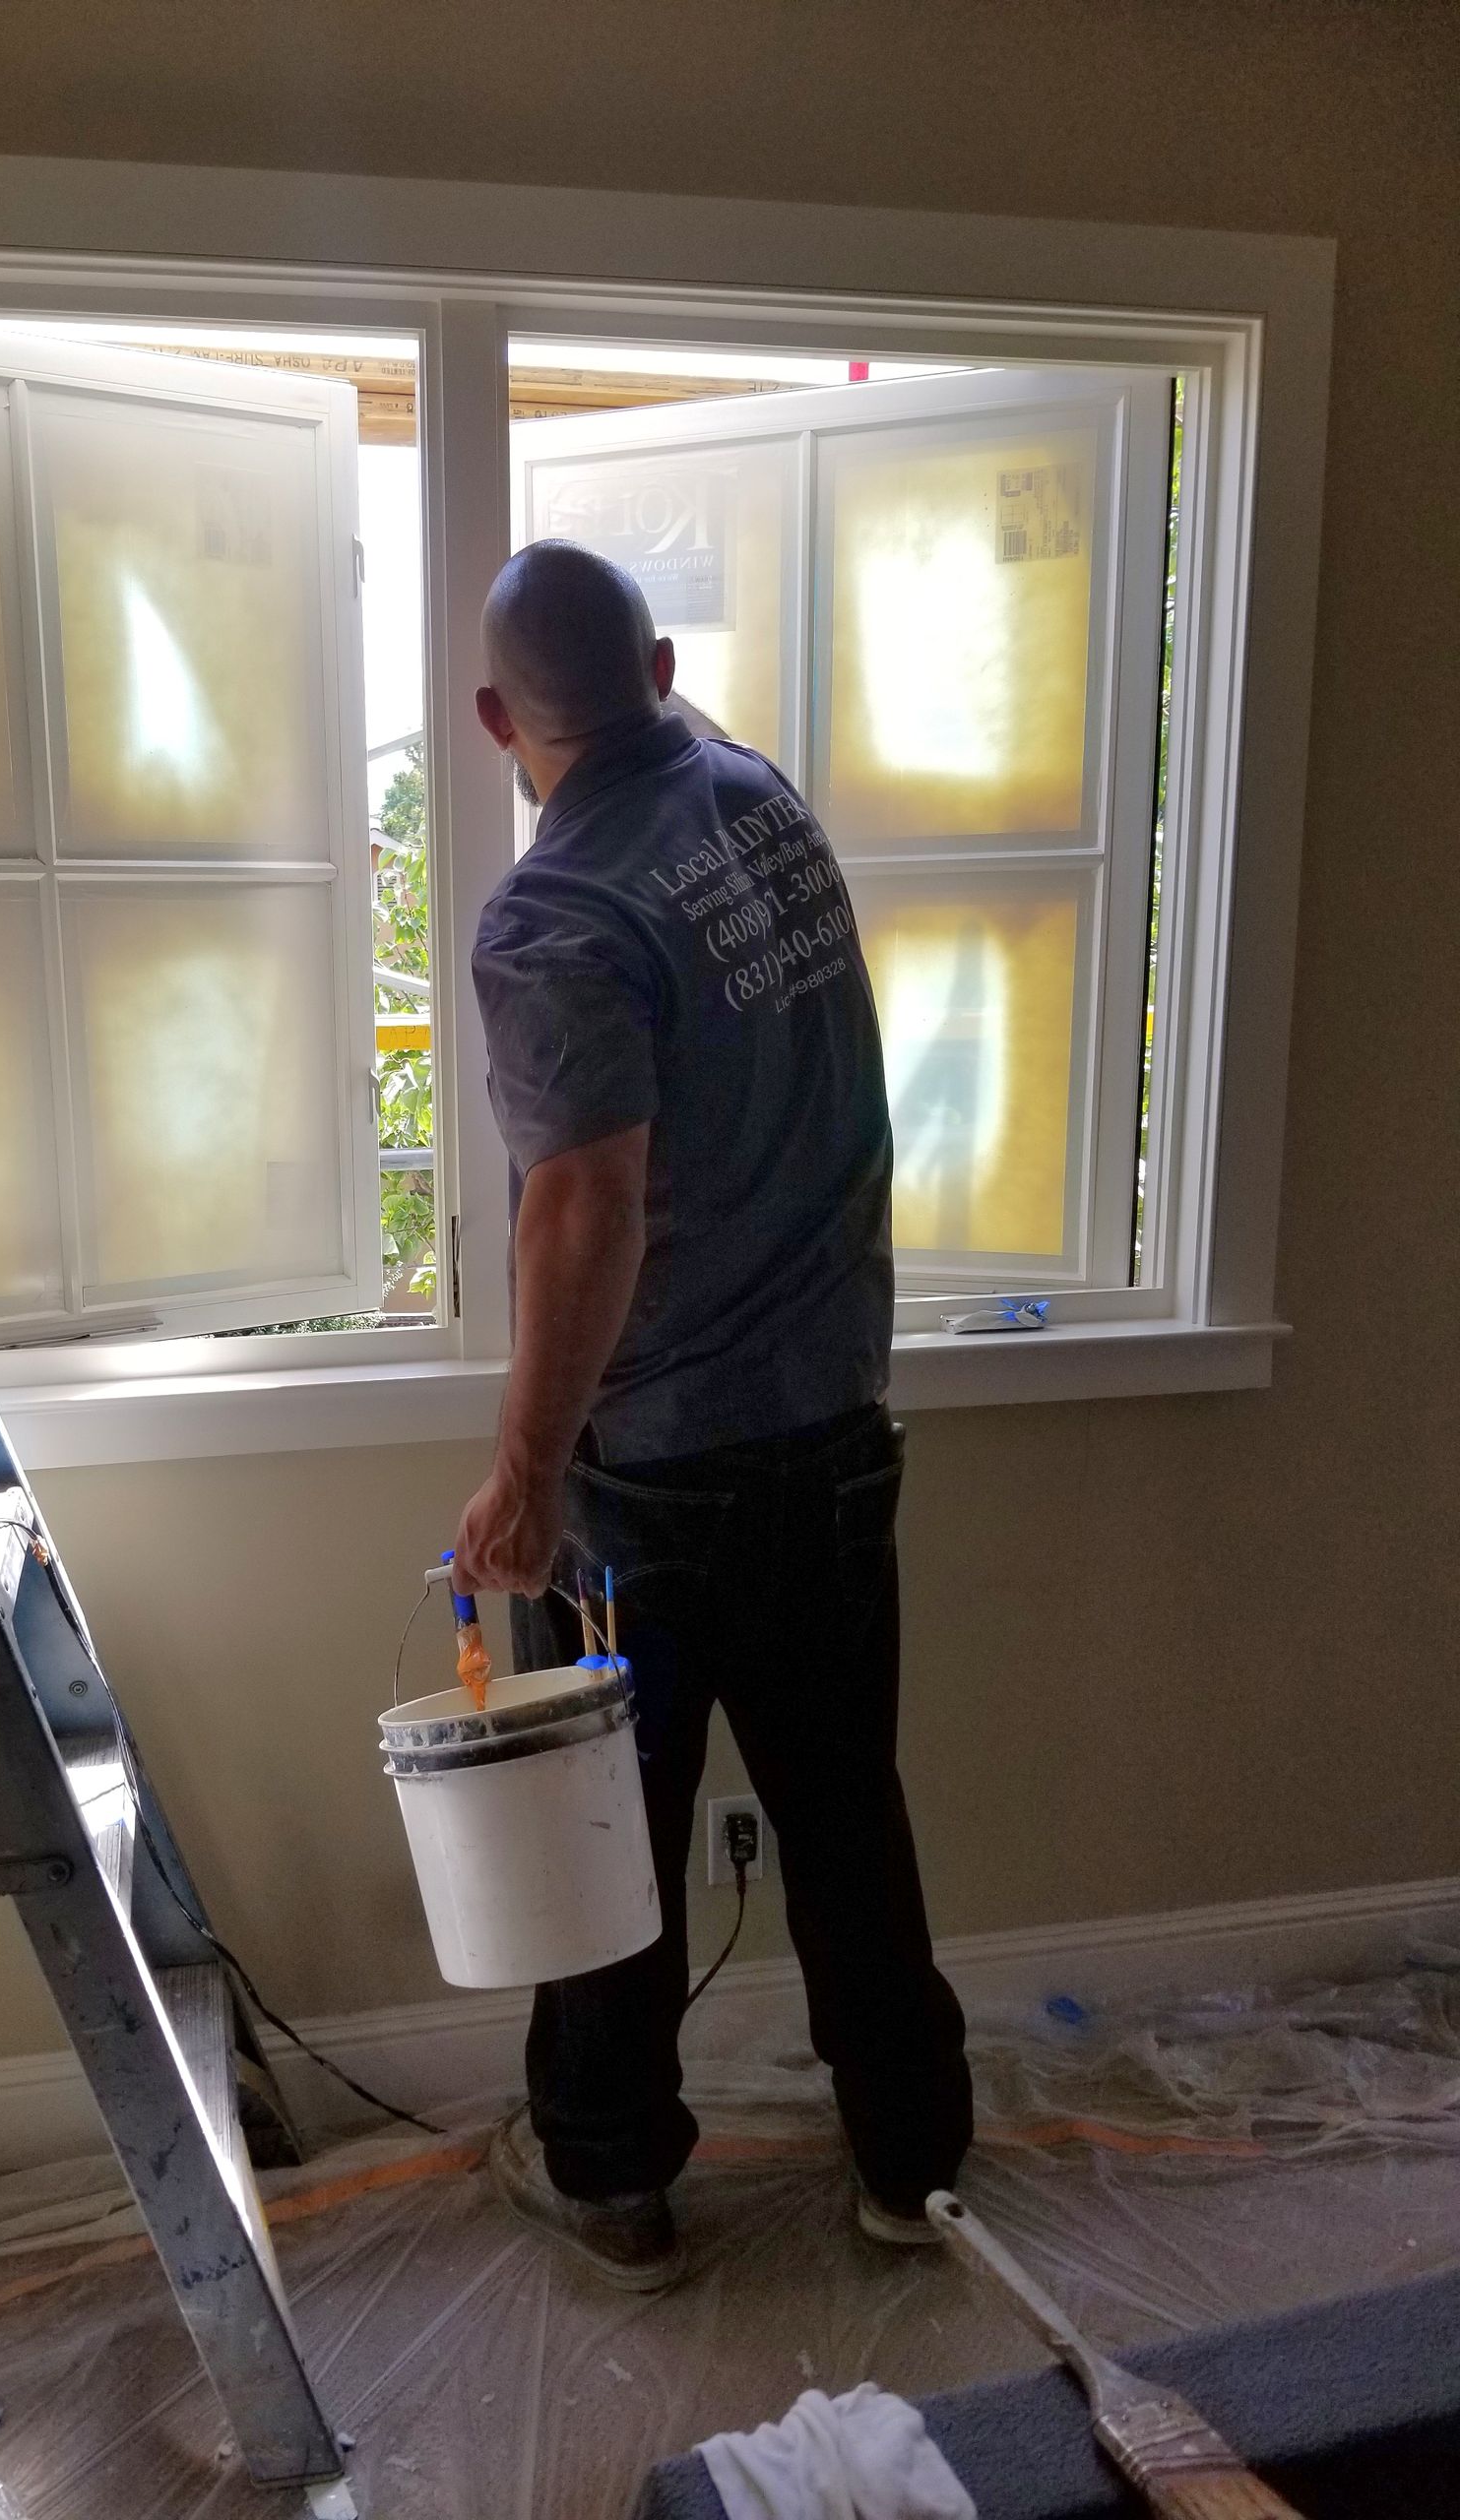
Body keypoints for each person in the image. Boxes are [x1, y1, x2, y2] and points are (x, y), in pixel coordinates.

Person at [452, 539, 972, 2293]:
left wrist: (527, 1480)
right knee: (846, 1811)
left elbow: (581, 1206)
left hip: (655, 1485)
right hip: (835, 1431)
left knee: (604, 1837)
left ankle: (609, 2182)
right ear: (666, 666)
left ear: (491, 719)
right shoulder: (761, 802)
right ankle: (913, 2165)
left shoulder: (553, 918)